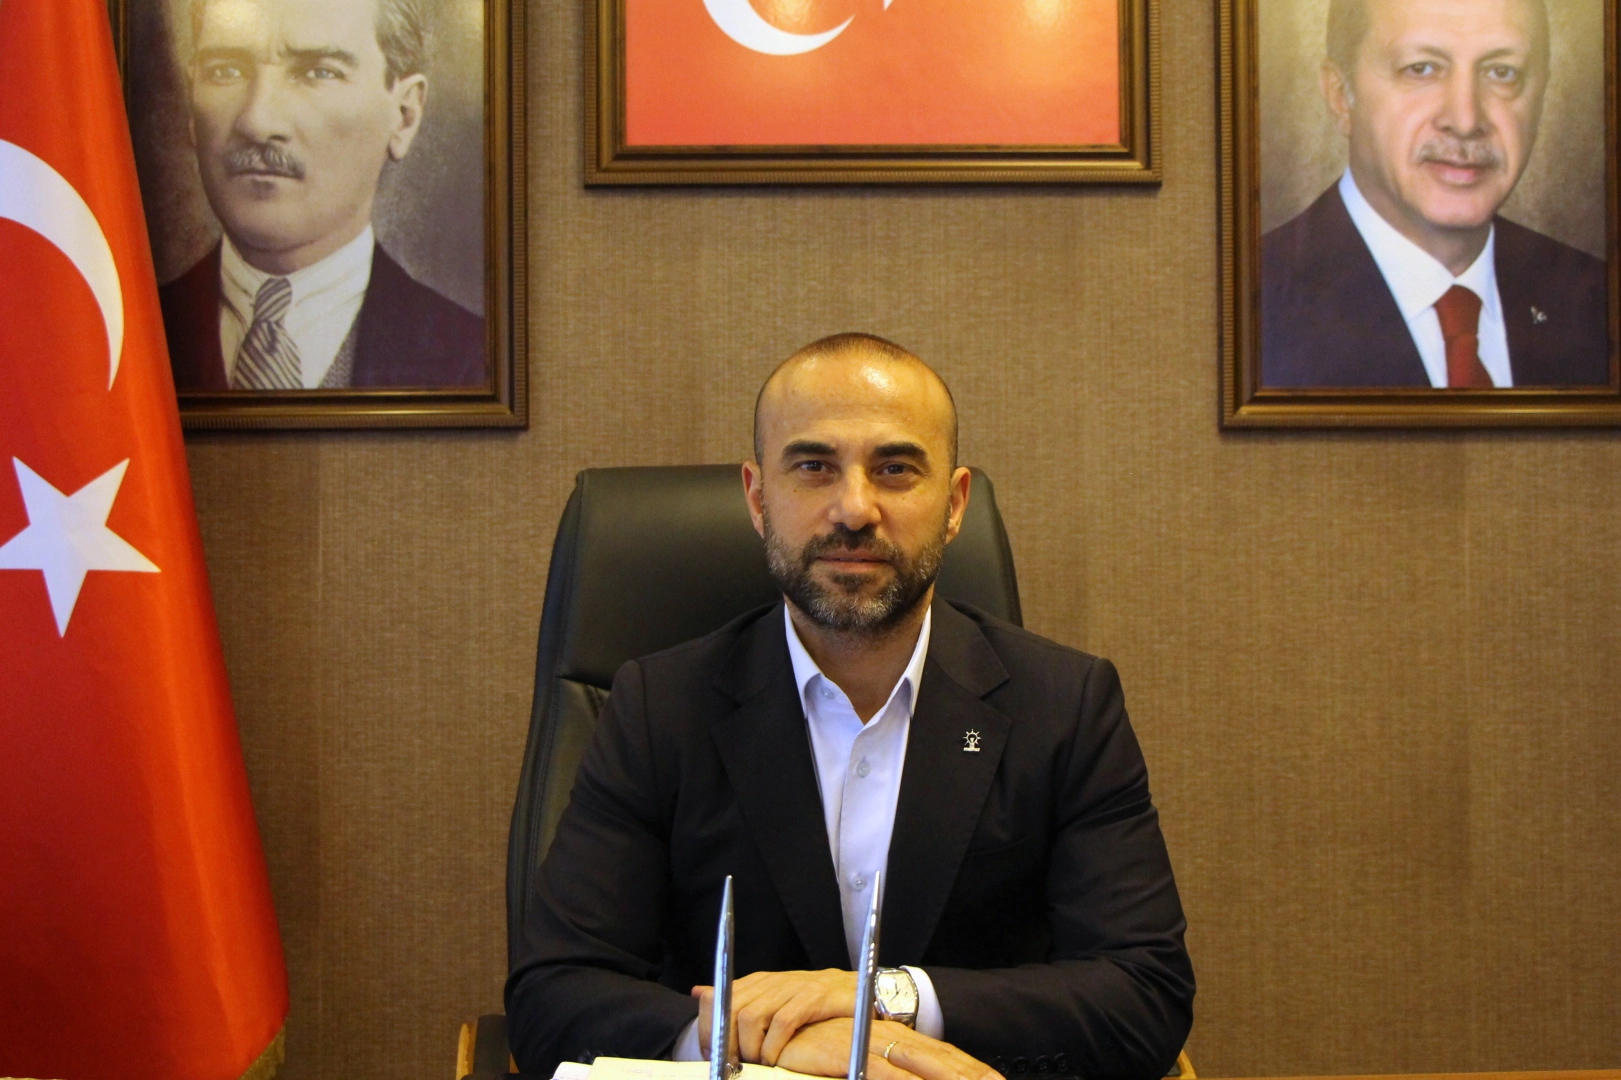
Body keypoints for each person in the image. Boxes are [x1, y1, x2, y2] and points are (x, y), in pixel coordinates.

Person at [506, 333, 1195, 1080]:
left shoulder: (1064, 705)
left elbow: (1143, 993)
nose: (854, 509)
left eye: (895, 469)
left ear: (954, 504)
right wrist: (760, 1040)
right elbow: (553, 995)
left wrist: (882, 1002)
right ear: (758, 498)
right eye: (813, 467)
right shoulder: (657, 708)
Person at [1261, 0, 1609, 389]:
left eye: (1501, 72)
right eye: (1421, 69)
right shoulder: (1252, 309)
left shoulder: (1598, 303)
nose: (1465, 121)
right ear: (1341, 95)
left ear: (1541, 94)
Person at [160, 0, 484, 391]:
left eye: (319, 72)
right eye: (226, 71)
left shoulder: (477, 360)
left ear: (404, 115)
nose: (257, 121)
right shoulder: (124, 339)